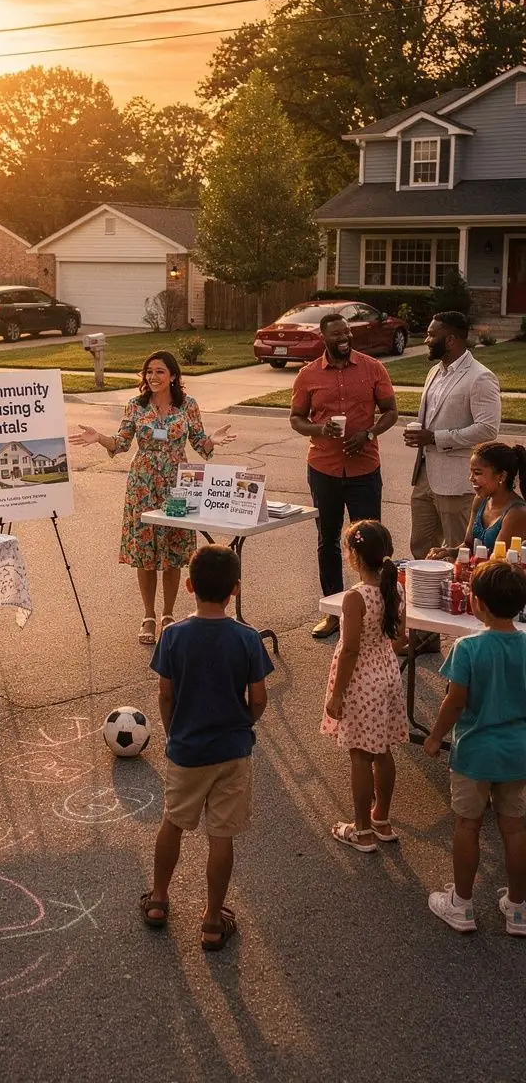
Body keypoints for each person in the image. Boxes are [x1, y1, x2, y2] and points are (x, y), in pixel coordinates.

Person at [140, 545, 272, 950]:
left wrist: (172, 732)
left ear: (190, 586)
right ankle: (213, 920)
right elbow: (260, 698)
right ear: (234, 589)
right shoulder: (248, 638)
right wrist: (242, 724)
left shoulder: (174, 635)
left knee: (173, 822)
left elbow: (166, 694)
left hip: (187, 749)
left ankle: (159, 899)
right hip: (232, 750)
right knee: (221, 836)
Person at [70, 351, 235, 644]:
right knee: (145, 551)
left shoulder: (188, 405)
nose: (153, 377)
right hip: (142, 483)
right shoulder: (136, 405)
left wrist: (213, 441)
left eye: (160, 372)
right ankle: (148, 615)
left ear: (172, 376)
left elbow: (199, 442)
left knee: (173, 550)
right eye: (149, 372)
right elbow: (121, 443)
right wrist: (99, 439)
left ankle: (168, 614)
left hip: (177, 482)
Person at [425, 560, 526, 935]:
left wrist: (435, 736)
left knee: (467, 825)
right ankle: (518, 908)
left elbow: (454, 702)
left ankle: (462, 905)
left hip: (474, 752)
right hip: (518, 751)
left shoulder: (467, 648)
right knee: (515, 830)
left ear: (478, 603)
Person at [290, 314, 398, 639]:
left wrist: (368, 434)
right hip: (324, 468)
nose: (343, 337)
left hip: (365, 468)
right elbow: (296, 418)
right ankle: (334, 612)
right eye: (336, 333)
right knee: (328, 541)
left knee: (370, 542)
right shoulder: (308, 375)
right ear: (323, 337)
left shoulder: (372, 368)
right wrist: (319, 429)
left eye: (346, 332)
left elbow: (391, 411)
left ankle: (376, 611)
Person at [321, 520, 408, 851]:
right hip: (387, 673)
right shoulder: (395, 587)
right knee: (382, 749)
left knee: (360, 755)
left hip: (362, 680)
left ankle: (361, 830)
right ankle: (381, 818)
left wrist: (337, 694)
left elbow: (350, 649)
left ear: (354, 555)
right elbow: (400, 637)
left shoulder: (356, 597)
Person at [404, 312, 501, 559]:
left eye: (431, 335)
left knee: (458, 553)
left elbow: (488, 429)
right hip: (424, 476)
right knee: (421, 550)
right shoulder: (434, 372)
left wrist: (436, 437)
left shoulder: (480, 377)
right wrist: (419, 435)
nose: (426, 340)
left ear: (450, 340)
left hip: (456, 482)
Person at [427, 442, 526, 563]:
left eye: (477, 473)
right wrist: (447, 552)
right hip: (477, 573)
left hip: (497, 578)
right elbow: (468, 546)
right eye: (471, 472)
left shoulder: (516, 513)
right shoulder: (481, 500)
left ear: (501, 476)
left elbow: (497, 563)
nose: (471, 478)